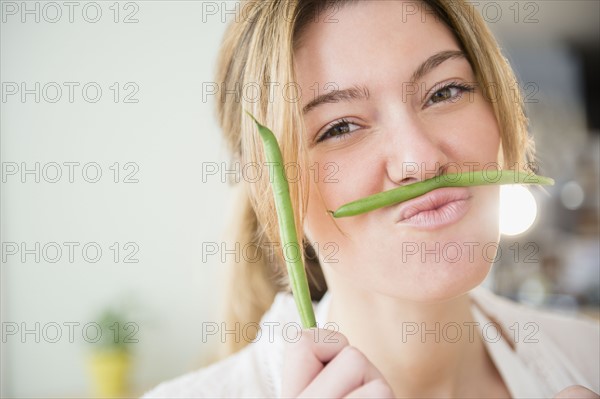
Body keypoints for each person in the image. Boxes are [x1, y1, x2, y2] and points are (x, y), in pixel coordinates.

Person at [144, 1, 600, 397]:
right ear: (271, 189)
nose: (420, 161)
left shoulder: (589, 357)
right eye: (339, 127)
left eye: (445, 91)